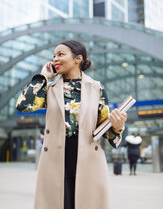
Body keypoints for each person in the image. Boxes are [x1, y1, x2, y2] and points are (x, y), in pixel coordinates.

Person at [16, 40, 127, 209]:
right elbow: (23, 106)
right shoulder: (49, 88)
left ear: (78, 58)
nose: (55, 59)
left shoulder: (96, 88)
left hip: (88, 157)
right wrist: (43, 77)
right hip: (55, 157)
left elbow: (105, 130)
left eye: (60, 54)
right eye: (53, 56)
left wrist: (117, 126)